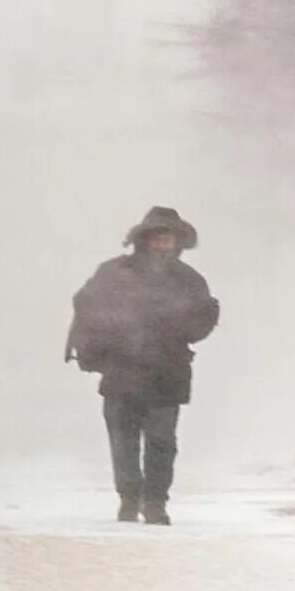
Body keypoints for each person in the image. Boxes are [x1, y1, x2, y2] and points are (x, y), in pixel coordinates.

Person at [65, 206, 220, 525]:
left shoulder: (189, 281)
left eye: (168, 239)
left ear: (178, 243)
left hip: (169, 374)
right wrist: (95, 345)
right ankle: (129, 498)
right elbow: (85, 305)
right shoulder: (112, 274)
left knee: (162, 441)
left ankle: (155, 502)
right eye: (157, 238)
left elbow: (202, 321)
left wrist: (186, 325)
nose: (162, 245)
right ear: (143, 240)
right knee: (123, 441)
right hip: (121, 372)